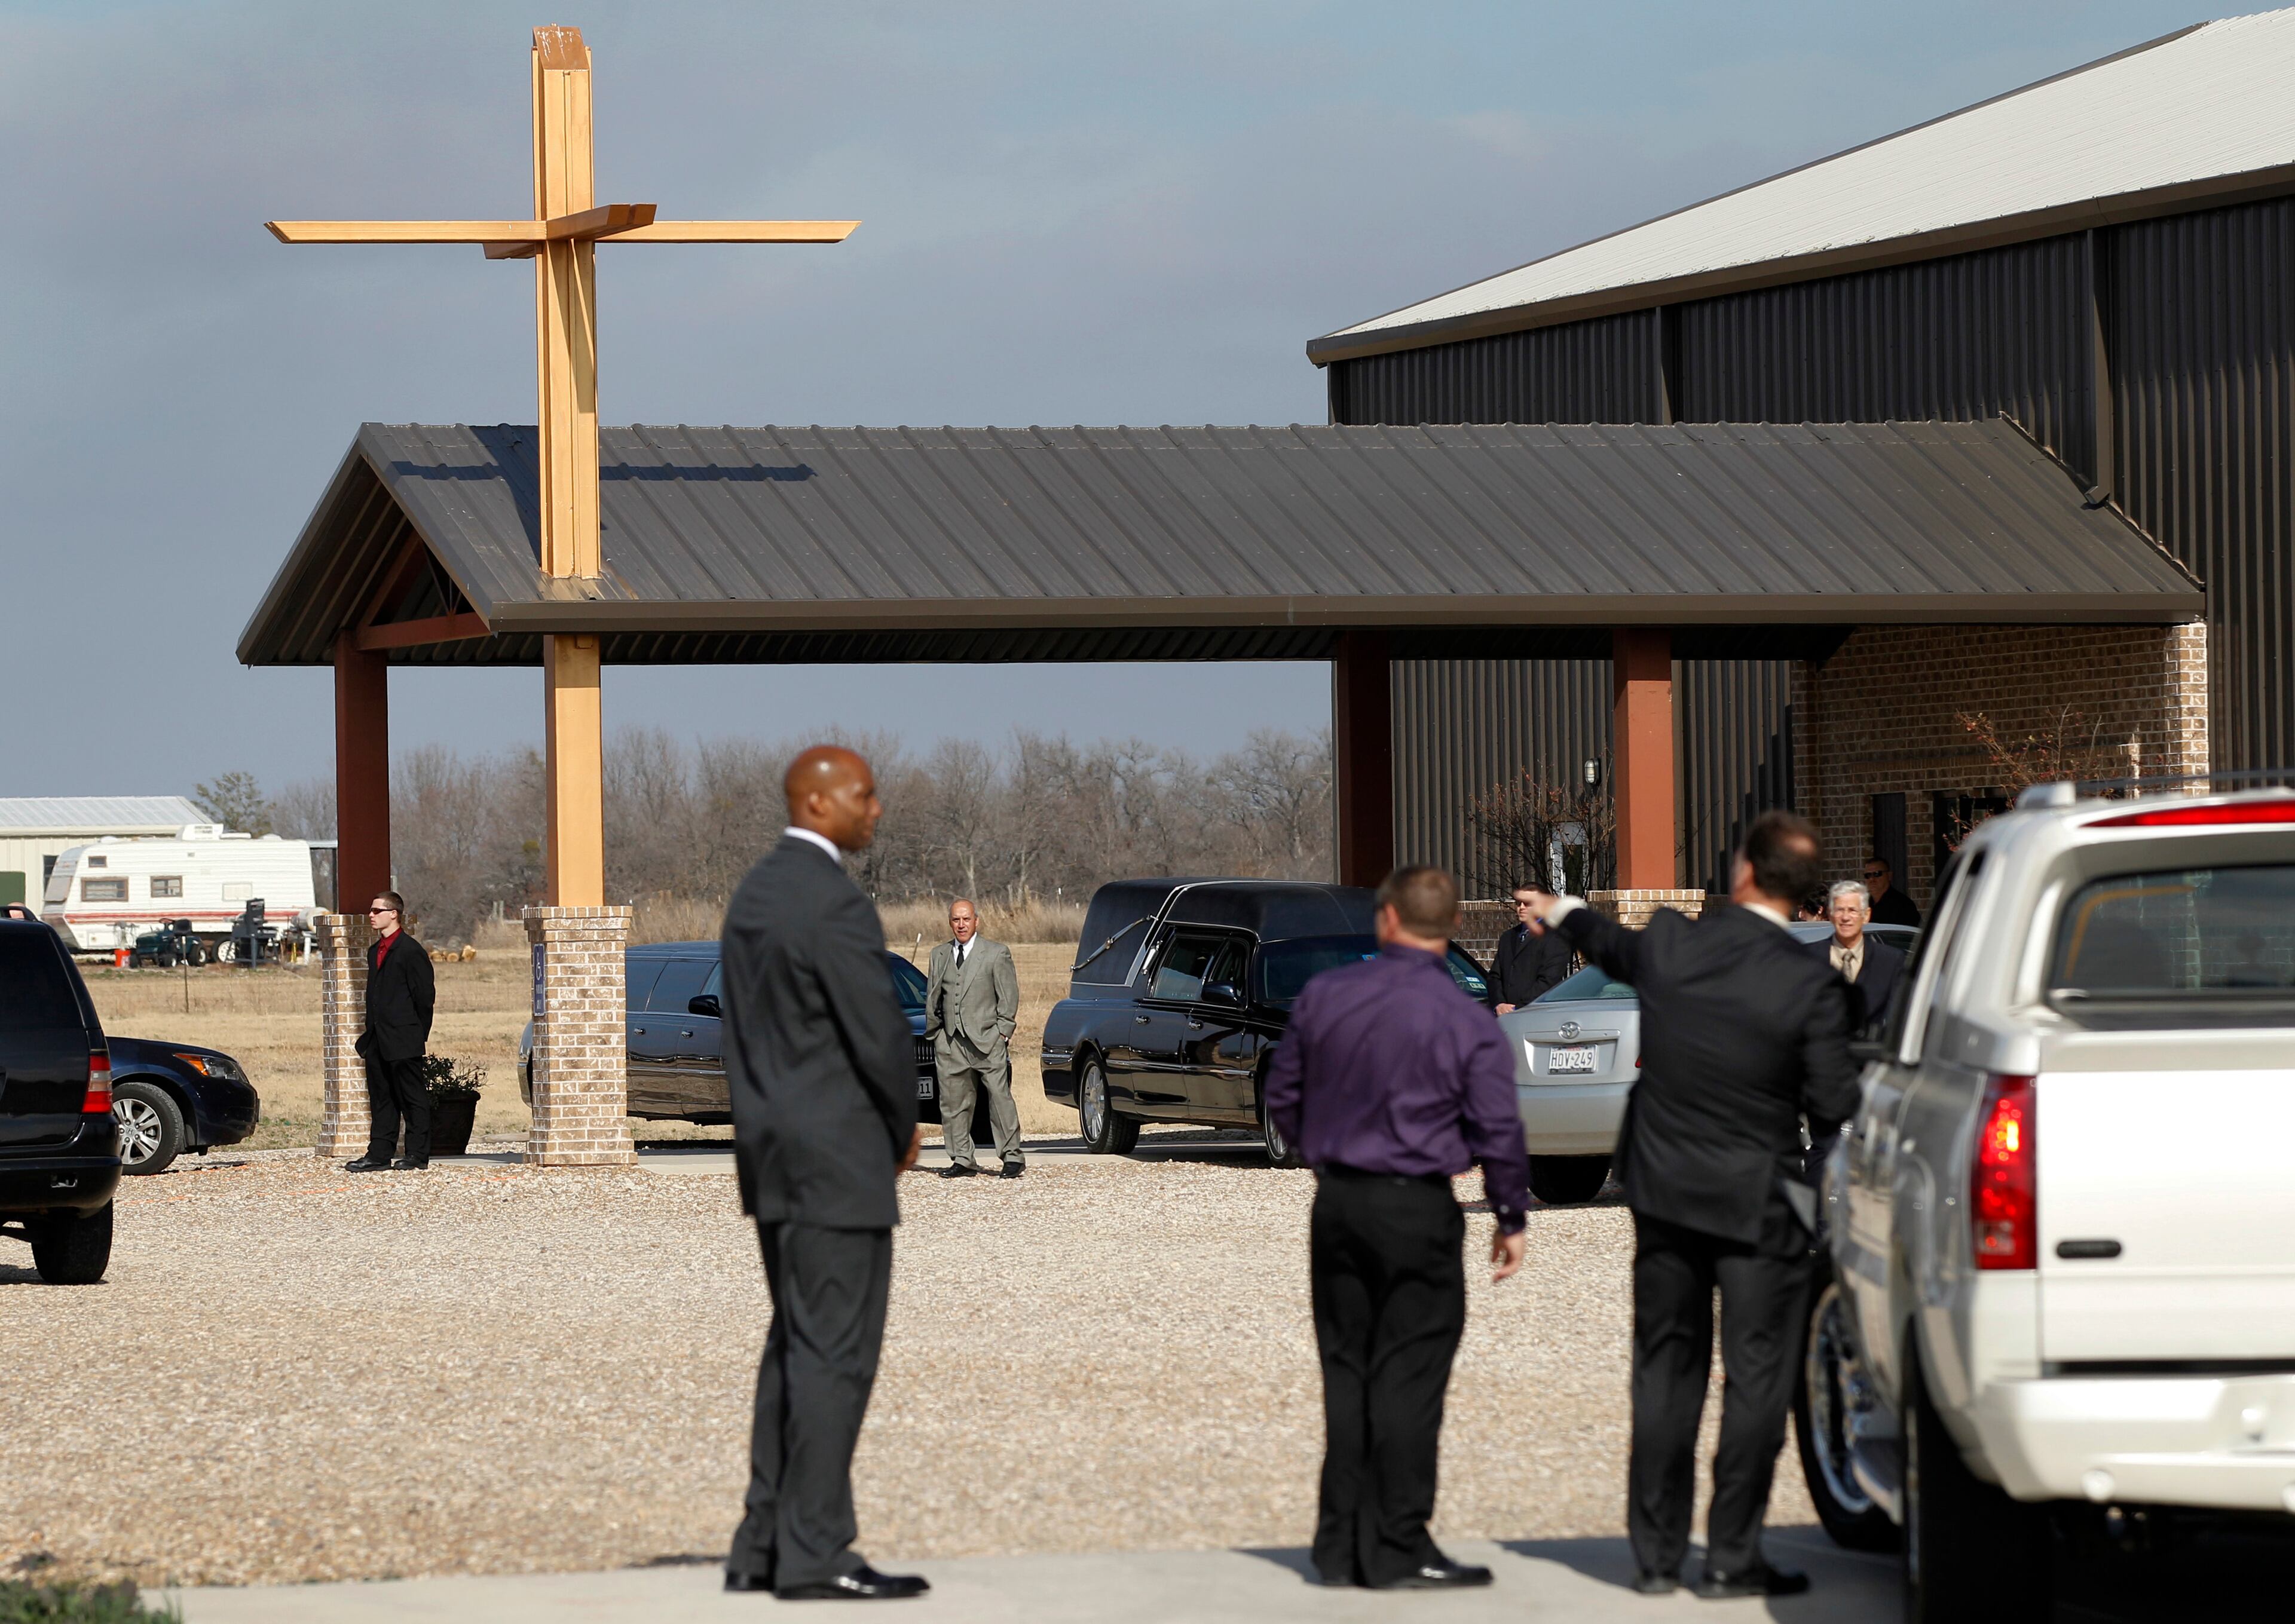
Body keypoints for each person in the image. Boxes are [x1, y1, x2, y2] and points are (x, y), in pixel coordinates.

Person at [1520, 811, 1859, 1600]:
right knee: (1757, 1378)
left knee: (1666, 1372)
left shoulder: (1674, 943)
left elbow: (1609, 942)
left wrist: (1561, 906)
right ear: (1806, 893)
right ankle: (1734, 1555)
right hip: (1761, 1205)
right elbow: (1835, 1098)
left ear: (1744, 873)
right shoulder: (1809, 980)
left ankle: (1657, 1556)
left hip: (1665, 1196)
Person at [1264, 865, 1531, 1592]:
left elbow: (1283, 1093)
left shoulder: (1324, 995)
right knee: (1409, 1380)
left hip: (1342, 1202)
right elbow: (1499, 1127)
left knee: (1347, 1372)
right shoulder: (1465, 1019)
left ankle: (1338, 1546)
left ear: (1386, 921)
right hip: (1418, 1206)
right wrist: (1510, 1215)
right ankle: (1397, 1546)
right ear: (1449, 931)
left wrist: (1324, 1159)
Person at [720, 746, 929, 1602]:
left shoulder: (755, 894)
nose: (876, 808)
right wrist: (903, 1123)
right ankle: (816, 1552)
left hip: (773, 1149)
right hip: (838, 1156)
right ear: (816, 800)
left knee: (795, 1344)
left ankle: (762, 1541)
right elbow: (876, 1029)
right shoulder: (833, 900)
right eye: (864, 794)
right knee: (835, 1355)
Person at [926, 898, 1024, 1179]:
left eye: (966, 919)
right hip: (950, 1043)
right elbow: (934, 996)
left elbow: (1008, 998)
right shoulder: (939, 954)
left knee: (999, 1098)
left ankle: (1013, 1158)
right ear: (950, 922)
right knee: (953, 1103)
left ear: (976, 921)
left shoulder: (996, 953)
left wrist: (1002, 1032)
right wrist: (937, 1035)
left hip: (987, 1041)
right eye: (956, 920)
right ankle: (962, 1160)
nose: (961, 925)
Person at [346, 891, 434, 1173]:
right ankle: (379, 1154)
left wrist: (416, 1033)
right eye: (371, 911)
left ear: (394, 913)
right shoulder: (375, 951)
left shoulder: (411, 951)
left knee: (412, 1097)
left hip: (404, 1037)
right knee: (381, 1097)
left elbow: (424, 998)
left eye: (377, 911)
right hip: (378, 1039)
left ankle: (417, 1154)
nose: (371, 915)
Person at [1809, 880, 1904, 1030]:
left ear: (1866, 916)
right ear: (1830, 914)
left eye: (1852, 910)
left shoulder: (1889, 961)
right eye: (1840, 910)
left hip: (1870, 1050)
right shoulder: (1810, 957)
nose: (1845, 917)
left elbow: (1899, 1017)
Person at [1486, 883, 1575, 1013]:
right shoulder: (1508, 937)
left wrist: (1518, 1008)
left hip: (1536, 1014)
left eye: (1528, 904)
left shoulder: (1555, 937)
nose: (1521, 908)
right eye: (1519, 903)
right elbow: (1495, 976)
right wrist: (1499, 1005)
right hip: (1504, 1016)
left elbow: (1549, 980)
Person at [1863, 854, 1921, 928]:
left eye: (1877, 874)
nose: (1872, 879)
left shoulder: (1903, 905)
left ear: (1889, 876)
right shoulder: (1863, 905)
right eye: (1868, 876)